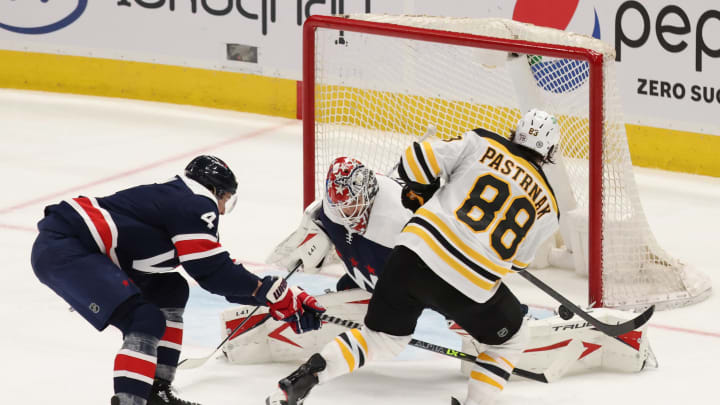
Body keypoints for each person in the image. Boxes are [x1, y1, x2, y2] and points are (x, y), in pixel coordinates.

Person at [265, 109, 562, 405]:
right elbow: (518, 263)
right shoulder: (549, 206)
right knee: (510, 340)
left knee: (379, 338)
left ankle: (307, 376)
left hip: (412, 254)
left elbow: (414, 159)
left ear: (514, 132)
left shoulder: (482, 142)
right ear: (549, 152)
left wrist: (424, 190)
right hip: (470, 283)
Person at [30, 155, 326, 405]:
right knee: (144, 320)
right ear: (216, 190)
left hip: (73, 247)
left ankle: (156, 392)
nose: (223, 209)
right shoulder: (197, 202)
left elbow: (217, 271)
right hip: (67, 248)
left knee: (171, 289)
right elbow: (212, 272)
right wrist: (268, 293)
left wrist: (280, 297)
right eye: (226, 199)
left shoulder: (181, 200)